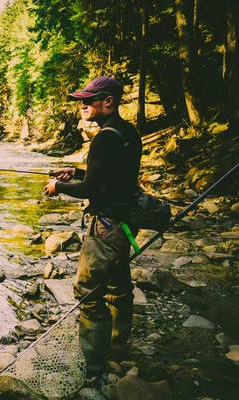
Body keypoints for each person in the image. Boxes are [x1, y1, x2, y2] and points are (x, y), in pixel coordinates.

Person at [43, 76, 142, 379]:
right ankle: (117, 346)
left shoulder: (103, 138)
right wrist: (77, 169)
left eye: (88, 100)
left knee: (87, 291)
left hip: (106, 228)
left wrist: (58, 185)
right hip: (126, 223)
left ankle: (93, 365)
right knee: (118, 287)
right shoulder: (127, 133)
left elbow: (88, 190)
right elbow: (114, 176)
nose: (82, 105)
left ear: (108, 102)